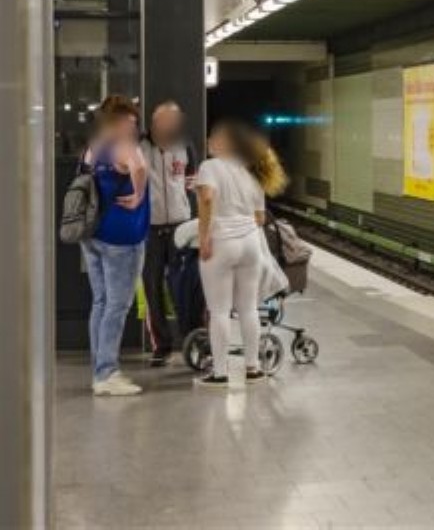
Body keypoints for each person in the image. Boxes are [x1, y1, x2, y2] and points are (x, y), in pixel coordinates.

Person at [195, 119, 288, 388]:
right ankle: (253, 369)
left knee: (219, 311)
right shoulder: (251, 170)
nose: (209, 141)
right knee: (248, 309)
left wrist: (204, 237)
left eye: (214, 137)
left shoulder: (209, 167)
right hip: (250, 245)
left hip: (221, 244)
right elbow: (260, 217)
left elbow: (207, 198)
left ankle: (220, 373)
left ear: (226, 143)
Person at [81, 95, 150, 397]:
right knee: (117, 306)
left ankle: (99, 370)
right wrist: (139, 195)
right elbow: (139, 168)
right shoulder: (124, 146)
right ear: (120, 121)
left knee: (100, 302)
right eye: (132, 121)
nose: (134, 128)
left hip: (93, 234)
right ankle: (107, 373)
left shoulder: (94, 148)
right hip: (122, 238)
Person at [139, 101, 198, 365]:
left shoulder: (185, 146)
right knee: (152, 287)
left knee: (183, 287)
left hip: (180, 227)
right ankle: (161, 346)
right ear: (155, 123)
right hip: (149, 228)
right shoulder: (139, 147)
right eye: (165, 122)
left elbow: (192, 179)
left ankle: (192, 340)